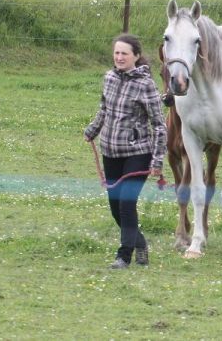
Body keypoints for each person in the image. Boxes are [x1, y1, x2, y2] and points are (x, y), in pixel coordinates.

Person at [84, 34, 167, 269]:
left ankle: (123, 255)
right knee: (115, 206)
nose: (119, 57)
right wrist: (93, 129)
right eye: (117, 53)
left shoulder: (146, 84)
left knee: (126, 204)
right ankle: (139, 242)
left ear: (136, 56)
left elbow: (159, 125)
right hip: (110, 150)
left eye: (125, 54)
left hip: (137, 152)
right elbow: (104, 109)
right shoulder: (109, 78)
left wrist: (158, 161)